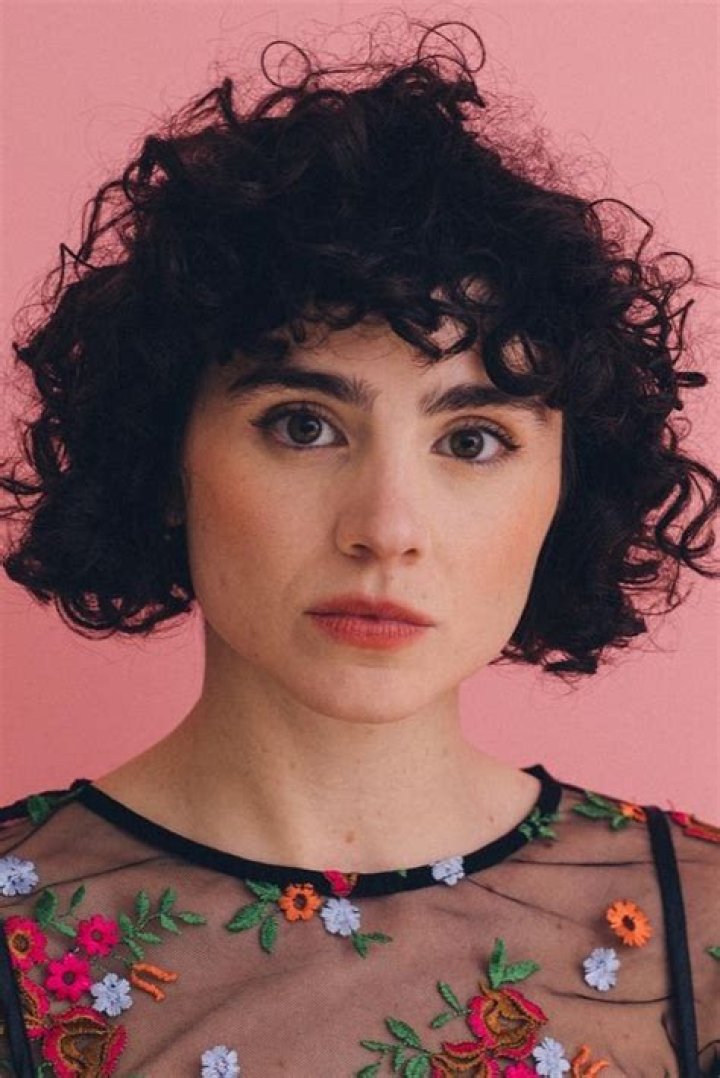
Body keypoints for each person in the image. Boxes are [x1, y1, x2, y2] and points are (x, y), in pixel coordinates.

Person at [0, 18, 718, 1078]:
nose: (386, 528)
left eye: (472, 441)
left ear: (565, 492)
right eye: (304, 425)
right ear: (164, 458)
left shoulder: (704, 928)